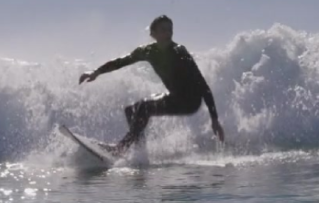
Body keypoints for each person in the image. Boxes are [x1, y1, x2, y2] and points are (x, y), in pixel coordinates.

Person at [79, 15, 224, 153]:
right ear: (153, 33)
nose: (168, 33)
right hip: (174, 96)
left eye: (170, 30)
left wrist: (214, 119)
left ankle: (120, 149)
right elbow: (121, 62)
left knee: (144, 108)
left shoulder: (179, 52)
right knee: (131, 110)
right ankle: (140, 153)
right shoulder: (148, 51)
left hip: (190, 101)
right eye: (163, 30)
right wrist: (96, 72)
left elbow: (203, 85)